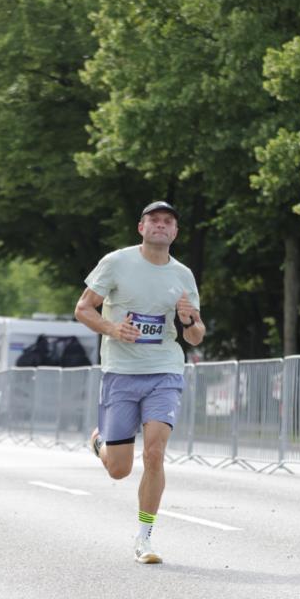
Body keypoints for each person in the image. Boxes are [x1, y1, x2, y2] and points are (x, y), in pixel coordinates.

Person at [74, 201, 205, 564]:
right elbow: (83, 308)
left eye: (168, 222)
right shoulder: (117, 262)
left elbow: (195, 336)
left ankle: (144, 537)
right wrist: (113, 328)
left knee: (154, 452)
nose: (161, 226)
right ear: (141, 227)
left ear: (175, 233)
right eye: (154, 221)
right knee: (119, 469)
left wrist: (189, 320)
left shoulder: (183, 275)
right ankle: (99, 441)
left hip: (164, 370)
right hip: (120, 371)